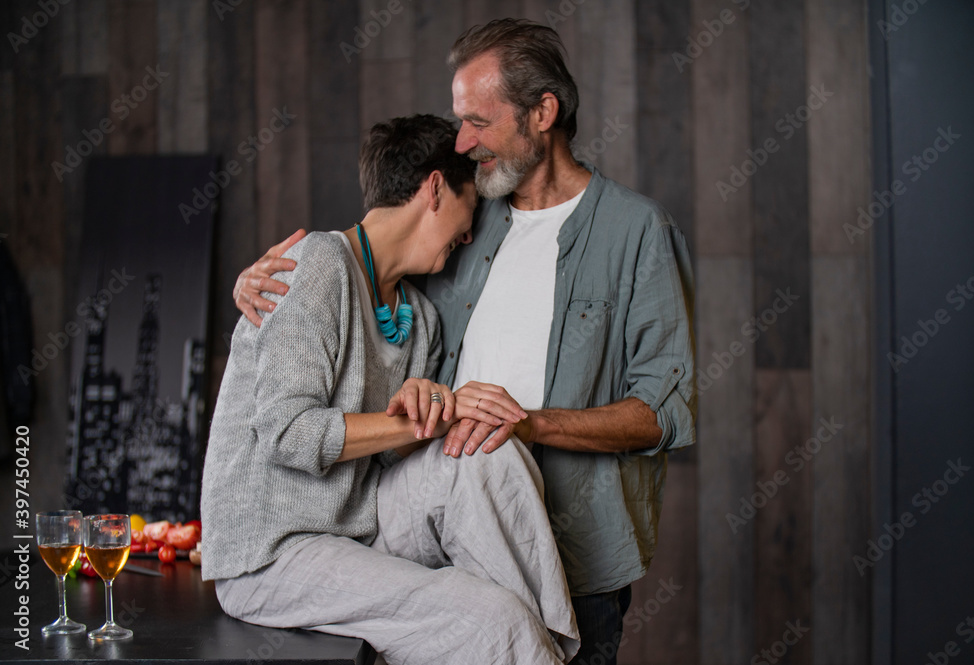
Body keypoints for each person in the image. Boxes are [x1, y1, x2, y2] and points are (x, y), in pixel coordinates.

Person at [234, 20, 695, 665]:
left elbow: (663, 411)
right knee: (491, 632)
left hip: (575, 555)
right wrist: (262, 289)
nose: (462, 140)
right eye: (459, 121)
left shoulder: (637, 230)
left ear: (543, 112)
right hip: (441, 541)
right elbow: (369, 271)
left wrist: (529, 424)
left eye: (478, 121)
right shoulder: (468, 220)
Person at [201, 114, 580, 665]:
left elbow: (387, 463)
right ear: (434, 188)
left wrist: (424, 416)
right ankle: (527, 645)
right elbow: (287, 434)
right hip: (273, 551)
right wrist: (423, 420)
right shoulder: (317, 265)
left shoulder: (419, 318)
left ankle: (542, 650)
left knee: (486, 454)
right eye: (470, 203)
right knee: (489, 617)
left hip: (357, 524)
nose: (470, 232)